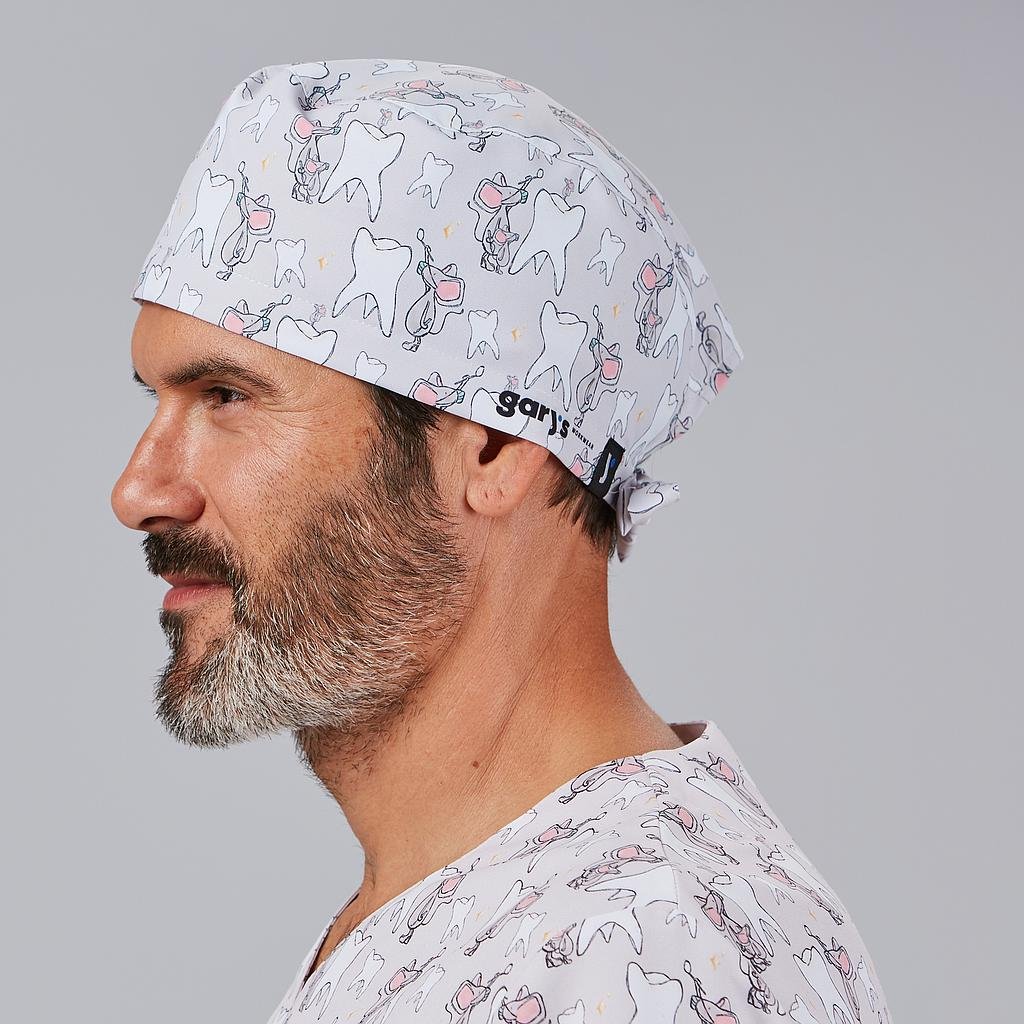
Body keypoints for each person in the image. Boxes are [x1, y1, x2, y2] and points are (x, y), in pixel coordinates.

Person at [112, 57, 893, 1023]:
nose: (137, 492)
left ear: (491, 445)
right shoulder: (471, 910)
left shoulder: (641, 954)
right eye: (157, 402)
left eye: (227, 396)